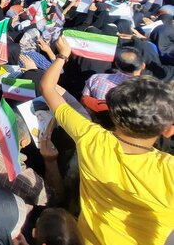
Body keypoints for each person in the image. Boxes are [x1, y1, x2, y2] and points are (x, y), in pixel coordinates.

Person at [41, 36, 174, 245]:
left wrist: (62, 55)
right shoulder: (169, 169)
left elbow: (48, 87)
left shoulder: (91, 138)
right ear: (168, 130)